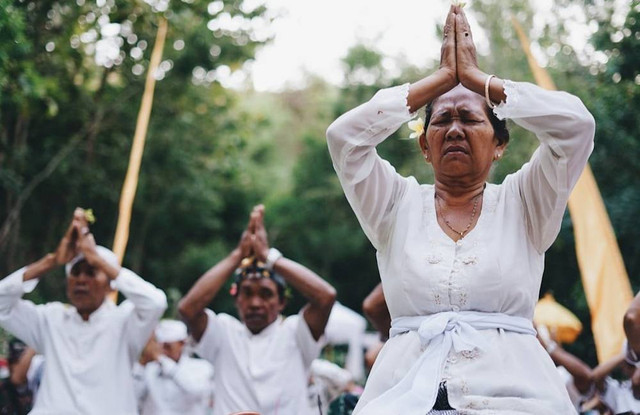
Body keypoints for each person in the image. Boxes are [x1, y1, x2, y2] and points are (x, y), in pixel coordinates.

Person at [326, 4, 595, 414]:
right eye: (441, 120)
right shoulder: (395, 205)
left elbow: (577, 127)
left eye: (469, 118)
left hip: (515, 400)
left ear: (500, 144)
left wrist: (479, 81)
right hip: (403, 397)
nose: (454, 128)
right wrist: (436, 82)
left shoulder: (525, 202)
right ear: (424, 146)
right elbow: (344, 139)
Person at [0, 208, 167, 415]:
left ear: (110, 285)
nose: (81, 280)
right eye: (75, 272)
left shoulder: (125, 322)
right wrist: (52, 261)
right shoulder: (50, 319)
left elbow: (156, 302)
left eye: (91, 272)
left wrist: (97, 258)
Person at [178, 204, 337, 415]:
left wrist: (268, 257)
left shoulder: (295, 333)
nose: (255, 303)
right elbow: (188, 308)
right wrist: (238, 254)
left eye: (265, 294)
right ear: (236, 299)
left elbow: (326, 297)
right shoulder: (224, 331)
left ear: (282, 302)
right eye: (247, 293)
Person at [134, 319, 214, 415]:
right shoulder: (149, 369)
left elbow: (196, 391)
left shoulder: (201, 367)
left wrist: (163, 361)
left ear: (182, 343)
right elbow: (133, 397)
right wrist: (142, 362)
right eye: (160, 346)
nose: (162, 351)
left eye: (167, 346)